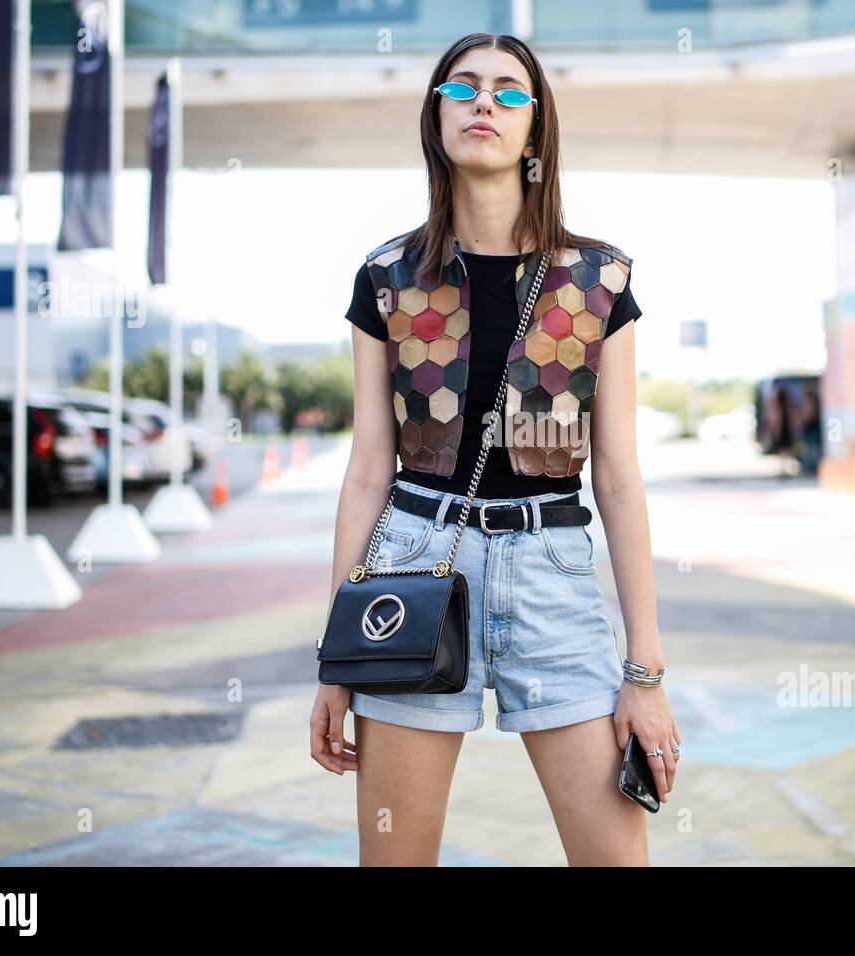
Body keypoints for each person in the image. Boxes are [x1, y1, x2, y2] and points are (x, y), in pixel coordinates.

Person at [309, 33, 677, 866]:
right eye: (464, 87)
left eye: (511, 93)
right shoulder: (387, 278)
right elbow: (369, 467)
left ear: (536, 131)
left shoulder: (598, 280)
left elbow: (617, 475)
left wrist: (645, 673)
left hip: (554, 575)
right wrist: (337, 657)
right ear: (435, 112)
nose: (486, 103)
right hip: (412, 568)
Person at [769, 386, 798, 477]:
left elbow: (775, 422)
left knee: (783, 451)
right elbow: (793, 420)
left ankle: (783, 469)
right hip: (787, 431)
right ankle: (788, 469)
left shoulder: (778, 408)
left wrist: (775, 432)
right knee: (788, 451)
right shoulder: (788, 407)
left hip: (782, 431)